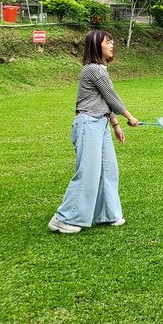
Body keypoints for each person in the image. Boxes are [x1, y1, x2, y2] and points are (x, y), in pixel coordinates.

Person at [48, 30, 140, 233]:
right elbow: (112, 97)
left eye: (112, 42)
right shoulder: (94, 69)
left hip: (101, 124)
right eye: (108, 42)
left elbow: (104, 101)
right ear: (96, 46)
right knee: (88, 173)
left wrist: (115, 125)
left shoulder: (99, 70)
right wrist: (129, 117)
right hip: (88, 124)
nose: (112, 45)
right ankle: (63, 219)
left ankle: (107, 214)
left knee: (109, 170)